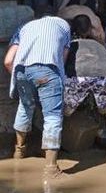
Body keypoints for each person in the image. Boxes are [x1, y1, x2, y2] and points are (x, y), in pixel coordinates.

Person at [3, 16, 71, 178]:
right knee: (52, 117)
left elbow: (8, 61)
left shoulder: (24, 27)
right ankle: (51, 169)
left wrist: (21, 78)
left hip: (21, 71)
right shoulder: (64, 26)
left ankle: (19, 151)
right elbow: (62, 59)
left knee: (25, 107)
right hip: (47, 70)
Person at [64, 15, 106, 159]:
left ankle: (56, 145)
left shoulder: (70, 45)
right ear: (90, 29)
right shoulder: (98, 45)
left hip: (79, 75)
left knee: (62, 111)